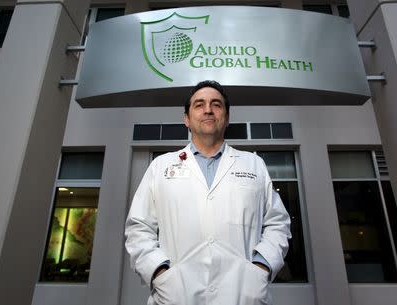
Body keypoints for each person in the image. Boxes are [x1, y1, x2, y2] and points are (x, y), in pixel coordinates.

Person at [125, 80, 291, 305]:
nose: (208, 109)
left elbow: (277, 224)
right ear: (186, 118)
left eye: (216, 104)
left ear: (227, 117)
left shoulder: (253, 165)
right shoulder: (161, 167)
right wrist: (159, 273)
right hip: (176, 295)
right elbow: (139, 227)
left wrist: (262, 267)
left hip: (243, 294)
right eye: (199, 104)